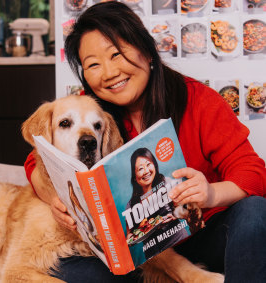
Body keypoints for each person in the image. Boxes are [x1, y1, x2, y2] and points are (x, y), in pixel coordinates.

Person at [24, 1, 266, 283]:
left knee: (254, 212)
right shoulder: (89, 113)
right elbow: (35, 161)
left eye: (116, 54)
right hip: (135, 250)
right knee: (78, 272)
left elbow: (253, 172)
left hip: (201, 235)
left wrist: (211, 193)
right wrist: (57, 200)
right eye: (93, 65)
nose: (109, 72)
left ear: (146, 50)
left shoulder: (199, 100)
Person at [126, 148, 189, 259]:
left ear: (155, 165)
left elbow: (186, 210)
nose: (146, 171)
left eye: (148, 164)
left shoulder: (167, 183)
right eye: (140, 168)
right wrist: (130, 240)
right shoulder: (131, 205)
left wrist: (175, 216)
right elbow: (130, 235)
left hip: (181, 244)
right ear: (134, 176)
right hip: (154, 258)